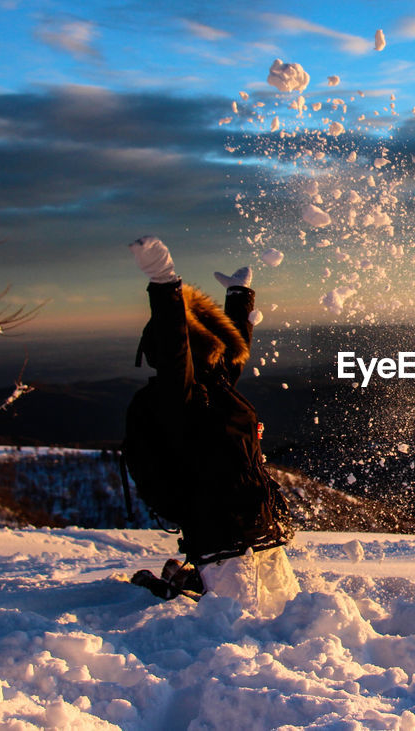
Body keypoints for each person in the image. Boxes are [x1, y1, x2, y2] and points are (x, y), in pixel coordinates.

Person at [123, 236, 297, 613]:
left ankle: (184, 582)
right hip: (221, 536)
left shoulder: (214, 390)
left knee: (289, 612)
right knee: (243, 625)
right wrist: (164, 282)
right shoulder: (179, 397)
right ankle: (177, 588)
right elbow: (175, 349)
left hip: (262, 526)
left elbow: (234, 352)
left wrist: (239, 296)